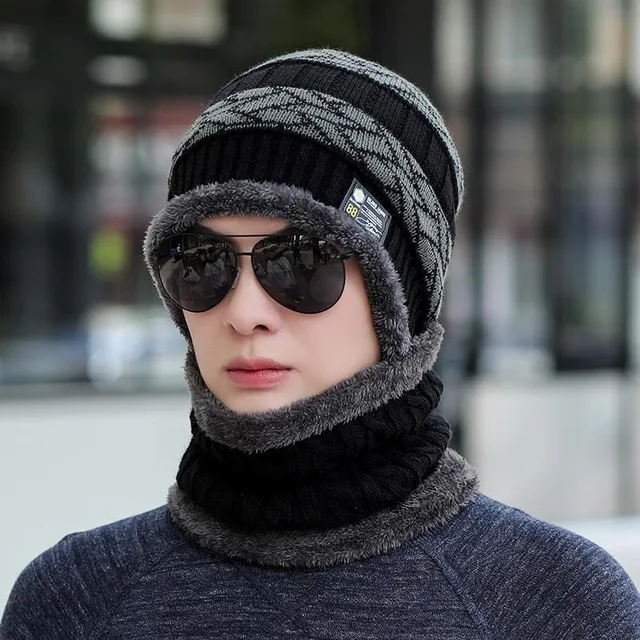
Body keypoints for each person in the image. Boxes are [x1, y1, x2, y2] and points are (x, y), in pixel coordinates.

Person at [1, 48, 639, 640]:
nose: (244, 314)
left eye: (302, 263)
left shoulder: (556, 606)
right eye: (200, 262)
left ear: (401, 304)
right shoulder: (74, 602)